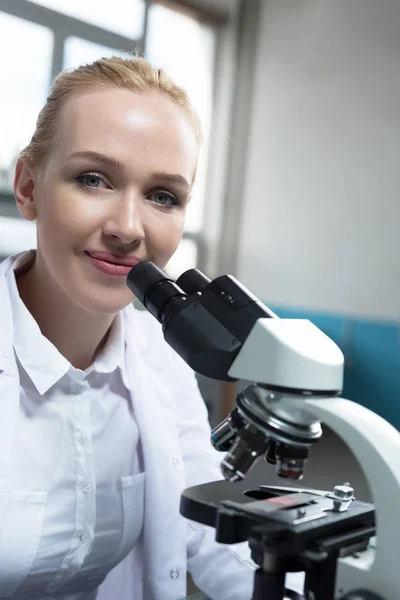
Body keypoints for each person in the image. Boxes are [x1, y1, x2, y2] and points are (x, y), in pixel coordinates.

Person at [0, 55, 304, 600]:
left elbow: (212, 533)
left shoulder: (160, 360)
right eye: (92, 180)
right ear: (27, 187)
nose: (127, 228)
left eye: (163, 196)